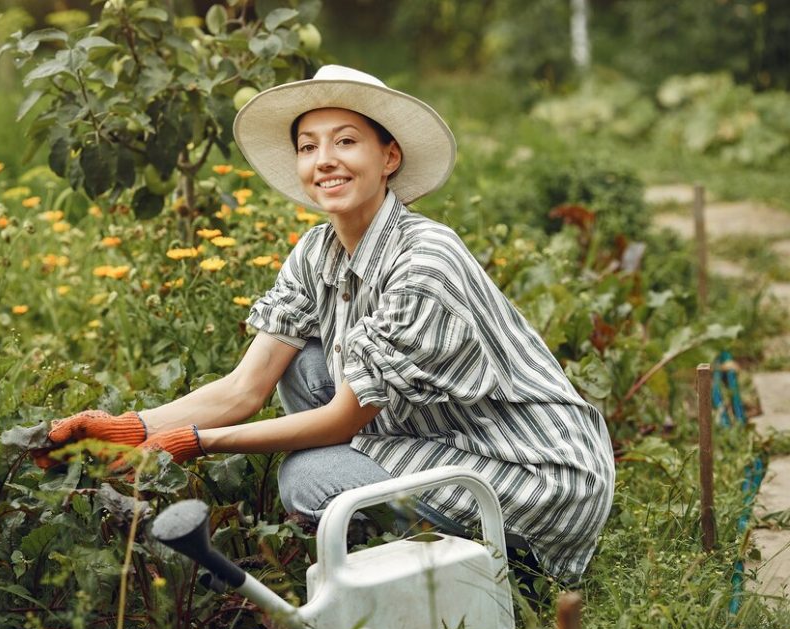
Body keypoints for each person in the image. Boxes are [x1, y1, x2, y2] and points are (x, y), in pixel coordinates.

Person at [46, 65, 615, 586]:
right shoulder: (318, 250)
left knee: (309, 478)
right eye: (308, 146)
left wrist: (192, 444)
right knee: (307, 364)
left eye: (346, 141)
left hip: (533, 472)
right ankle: (401, 535)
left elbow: (344, 416)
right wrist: (125, 428)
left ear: (389, 157)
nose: (325, 160)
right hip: (444, 438)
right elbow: (245, 388)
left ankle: (505, 571)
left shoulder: (426, 262)